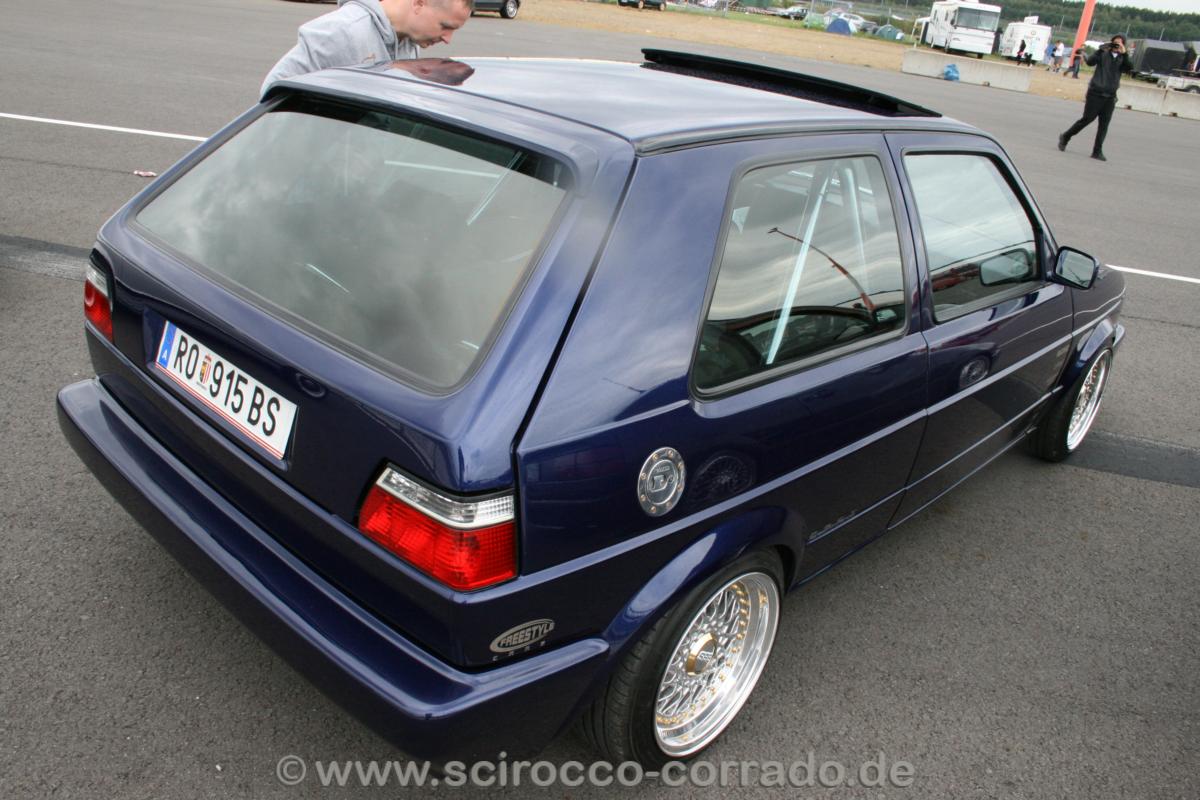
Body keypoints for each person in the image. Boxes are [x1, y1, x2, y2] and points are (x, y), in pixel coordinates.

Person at [260, 0, 472, 98]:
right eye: (445, 26)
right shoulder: (343, 31)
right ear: (418, 3)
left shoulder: (408, 44)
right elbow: (273, 91)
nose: (448, 39)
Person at [1058, 35, 1133, 162]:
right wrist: (1100, 50)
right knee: (1087, 119)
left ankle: (1097, 151)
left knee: (1104, 124)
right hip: (1095, 93)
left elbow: (1129, 68)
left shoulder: (1122, 58)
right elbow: (1090, 62)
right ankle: (1066, 136)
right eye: (1115, 43)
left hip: (1110, 95)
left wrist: (1124, 53)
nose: (1116, 46)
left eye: (1119, 44)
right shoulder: (1103, 54)